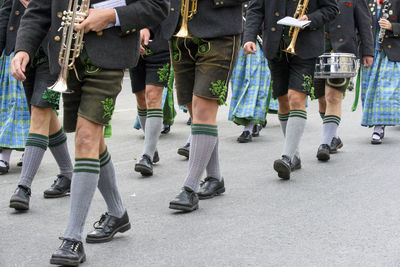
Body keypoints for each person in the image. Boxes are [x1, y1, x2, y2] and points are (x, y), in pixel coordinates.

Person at [11, 0, 168, 265]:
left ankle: (73, 238)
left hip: (110, 56)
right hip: (68, 59)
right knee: (92, 142)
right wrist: (24, 48)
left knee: (85, 138)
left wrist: (111, 16)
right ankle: (118, 212)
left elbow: (157, 6)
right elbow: (39, 8)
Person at [244, 0, 338, 179]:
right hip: (275, 46)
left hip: (306, 47)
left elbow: (332, 9)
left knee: (296, 98)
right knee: (283, 102)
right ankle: (294, 155)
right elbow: (255, 9)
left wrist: (310, 18)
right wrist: (249, 37)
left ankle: (287, 156)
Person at [167, 0, 245, 212]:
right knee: (193, 109)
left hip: (220, 31)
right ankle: (215, 177)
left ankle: (189, 188)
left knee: (203, 108)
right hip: (179, 32)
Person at [314, 0, 374, 161]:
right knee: (321, 99)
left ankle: (325, 144)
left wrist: (368, 51)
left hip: (343, 51)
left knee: (333, 96)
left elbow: (365, 23)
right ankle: (333, 136)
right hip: (316, 48)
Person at [130, 21, 171, 176]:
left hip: (160, 45)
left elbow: (166, 9)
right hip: (134, 46)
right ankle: (152, 148)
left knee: (152, 96)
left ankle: (147, 155)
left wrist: (149, 28)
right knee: (141, 99)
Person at [361, 0, 400, 144]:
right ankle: (379, 123)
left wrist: (392, 26)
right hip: (370, 50)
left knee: (385, 90)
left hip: (391, 51)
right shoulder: (367, 2)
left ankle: (378, 127)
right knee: (370, 91)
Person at [0, 0, 30, 175]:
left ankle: (31, 149)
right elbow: (5, 15)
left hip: (41, 52)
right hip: (12, 53)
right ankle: (4, 156)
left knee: (34, 108)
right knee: (10, 106)